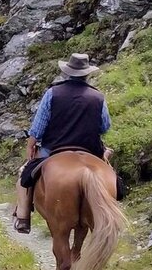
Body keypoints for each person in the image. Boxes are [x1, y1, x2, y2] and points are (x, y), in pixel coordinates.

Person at [13, 53, 112, 234]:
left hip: (54, 148)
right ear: (87, 74)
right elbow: (105, 126)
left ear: (67, 73)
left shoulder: (53, 93)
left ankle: (23, 217)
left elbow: (38, 128)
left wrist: (31, 144)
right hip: (90, 149)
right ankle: (111, 208)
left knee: (23, 174)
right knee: (110, 173)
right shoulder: (98, 97)